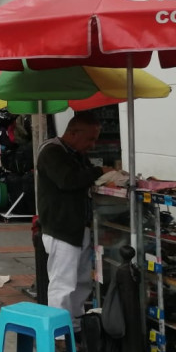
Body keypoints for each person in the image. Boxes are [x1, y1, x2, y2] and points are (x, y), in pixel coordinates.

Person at [37, 112, 111, 337]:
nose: (92, 144)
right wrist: (99, 172)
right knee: (63, 283)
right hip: (61, 228)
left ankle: (75, 327)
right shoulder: (52, 151)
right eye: (90, 139)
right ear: (73, 133)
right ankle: (58, 335)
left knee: (80, 282)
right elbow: (68, 180)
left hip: (79, 227)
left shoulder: (75, 154)